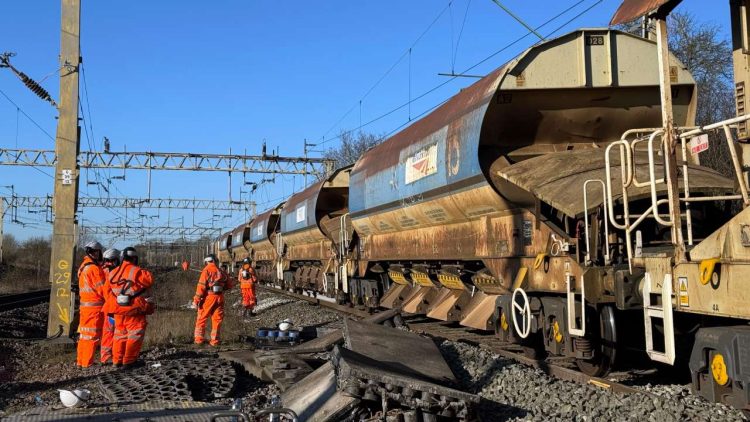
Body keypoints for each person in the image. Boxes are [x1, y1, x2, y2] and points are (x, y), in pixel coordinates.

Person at [102, 247, 155, 368]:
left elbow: (107, 291)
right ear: (135, 258)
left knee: (119, 335)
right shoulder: (137, 271)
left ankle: (117, 360)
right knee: (135, 334)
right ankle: (129, 361)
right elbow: (149, 280)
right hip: (134, 310)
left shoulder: (112, 273)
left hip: (118, 310)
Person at [76, 240, 107, 368]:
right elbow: (102, 289)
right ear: (95, 252)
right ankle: (87, 363)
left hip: (85, 307)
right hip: (94, 307)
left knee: (84, 335)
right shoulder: (94, 269)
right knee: (92, 336)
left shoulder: (83, 266)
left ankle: (81, 361)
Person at [193, 255, 234, 346]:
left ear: (207, 261)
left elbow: (201, 287)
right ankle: (214, 341)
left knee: (201, 318)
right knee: (217, 320)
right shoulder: (222, 272)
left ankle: (199, 340)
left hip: (208, 297)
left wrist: (196, 300)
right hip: (219, 297)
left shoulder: (206, 270)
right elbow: (230, 285)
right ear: (215, 261)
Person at [99, 248, 120, 365]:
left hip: (108, 307)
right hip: (115, 307)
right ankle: (114, 356)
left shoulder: (102, 270)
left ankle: (105, 357)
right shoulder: (115, 272)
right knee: (116, 332)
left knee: (108, 333)